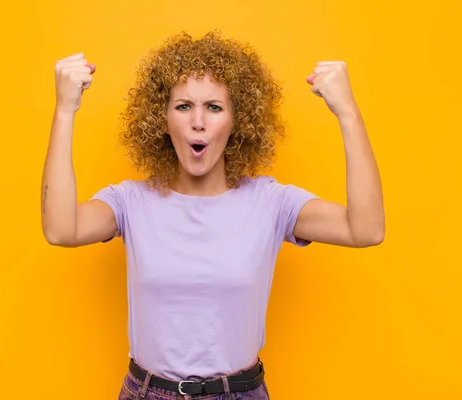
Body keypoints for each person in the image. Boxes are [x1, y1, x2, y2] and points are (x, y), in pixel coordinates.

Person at [41, 31, 385, 400]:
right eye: (184, 106)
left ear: (238, 121)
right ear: (163, 119)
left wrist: (347, 112)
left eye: (215, 107)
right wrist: (65, 111)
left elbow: (364, 230)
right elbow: (61, 230)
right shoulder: (130, 202)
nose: (198, 122)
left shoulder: (271, 202)